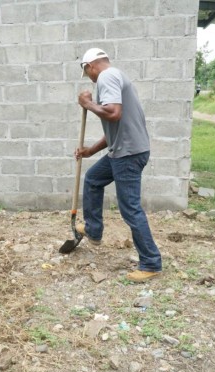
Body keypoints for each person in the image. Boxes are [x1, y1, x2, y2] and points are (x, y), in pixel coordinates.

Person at [75, 48, 162, 283]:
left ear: (90, 66)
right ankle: (94, 230)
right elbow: (115, 128)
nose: (90, 78)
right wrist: (90, 151)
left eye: (88, 73)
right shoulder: (114, 77)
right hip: (122, 151)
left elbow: (113, 114)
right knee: (93, 179)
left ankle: (151, 262)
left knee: (130, 209)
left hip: (128, 155)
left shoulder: (107, 76)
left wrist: (87, 104)